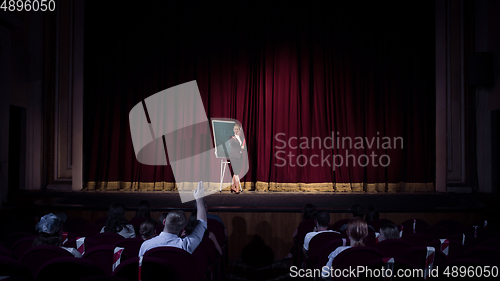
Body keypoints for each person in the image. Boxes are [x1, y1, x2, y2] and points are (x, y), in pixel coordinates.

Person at [138, 181, 207, 256]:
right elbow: (202, 223)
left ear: (164, 222)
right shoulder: (185, 245)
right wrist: (199, 200)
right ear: (182, 229)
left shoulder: (146, 245)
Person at [229, 123, 245, 194]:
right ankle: (237, 189)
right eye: (235, 129)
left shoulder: (241, 138)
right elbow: (230, 144)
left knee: (236, 172)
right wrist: (233, 139)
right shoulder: (231, 137)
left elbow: (242, 148)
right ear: (233, 130)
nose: (236, 130)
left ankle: (232, 187)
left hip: (240, 156)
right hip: (234, 157)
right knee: (236, 173)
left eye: (237, 129)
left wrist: (243, 148)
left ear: (239, 130)